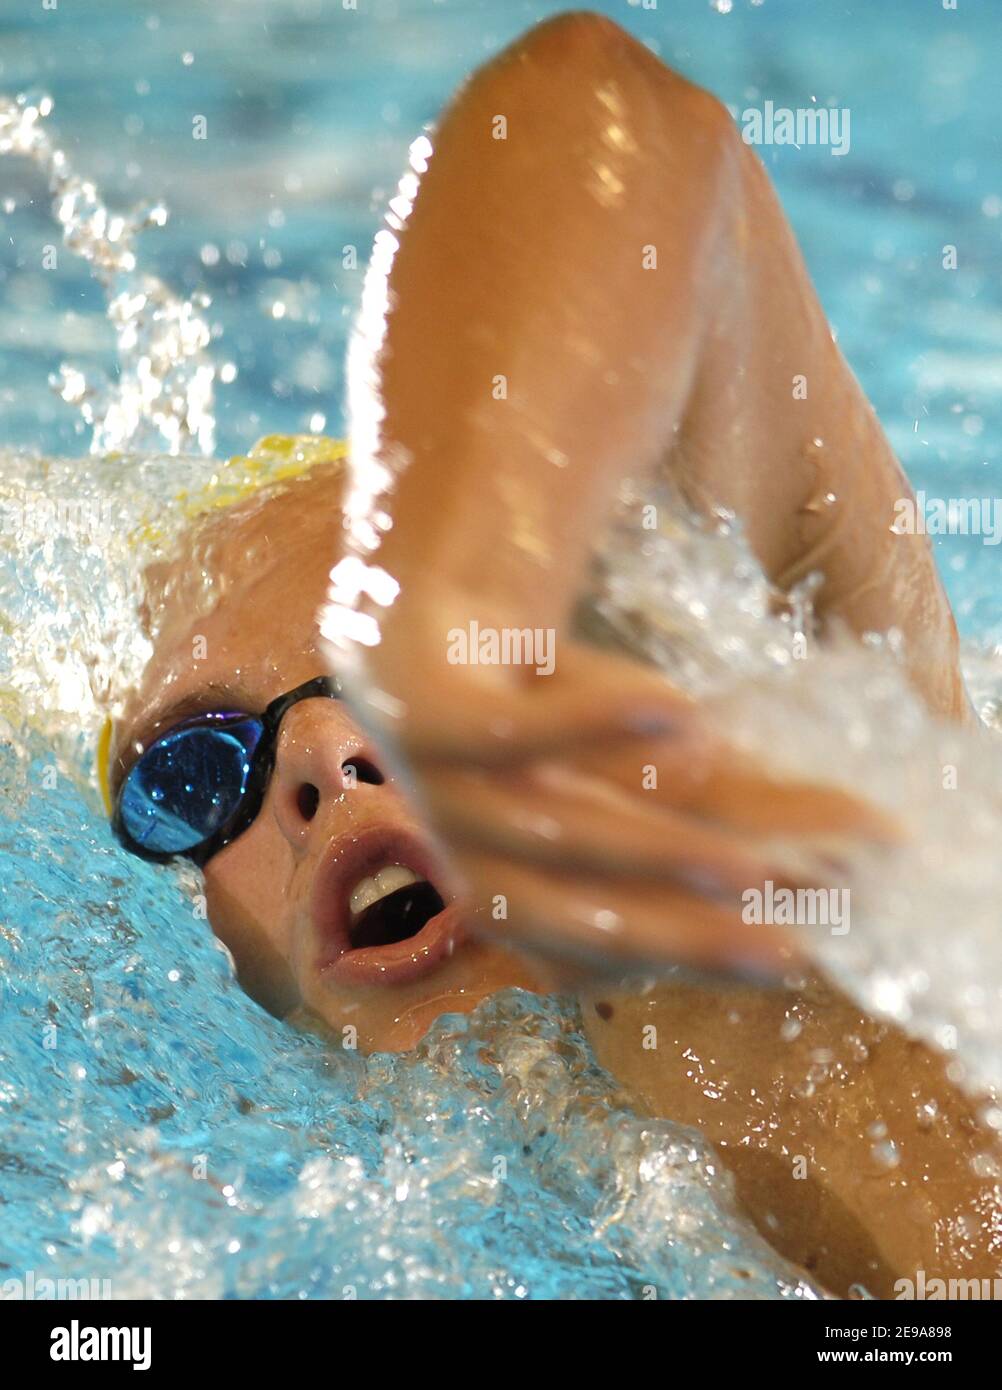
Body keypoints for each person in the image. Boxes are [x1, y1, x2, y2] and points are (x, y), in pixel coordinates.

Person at [104, 13, 999, 1299]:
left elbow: (609, 110)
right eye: (194, 773)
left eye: (390, 690)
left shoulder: (784, 884)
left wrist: (456, 606)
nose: (324, 752)